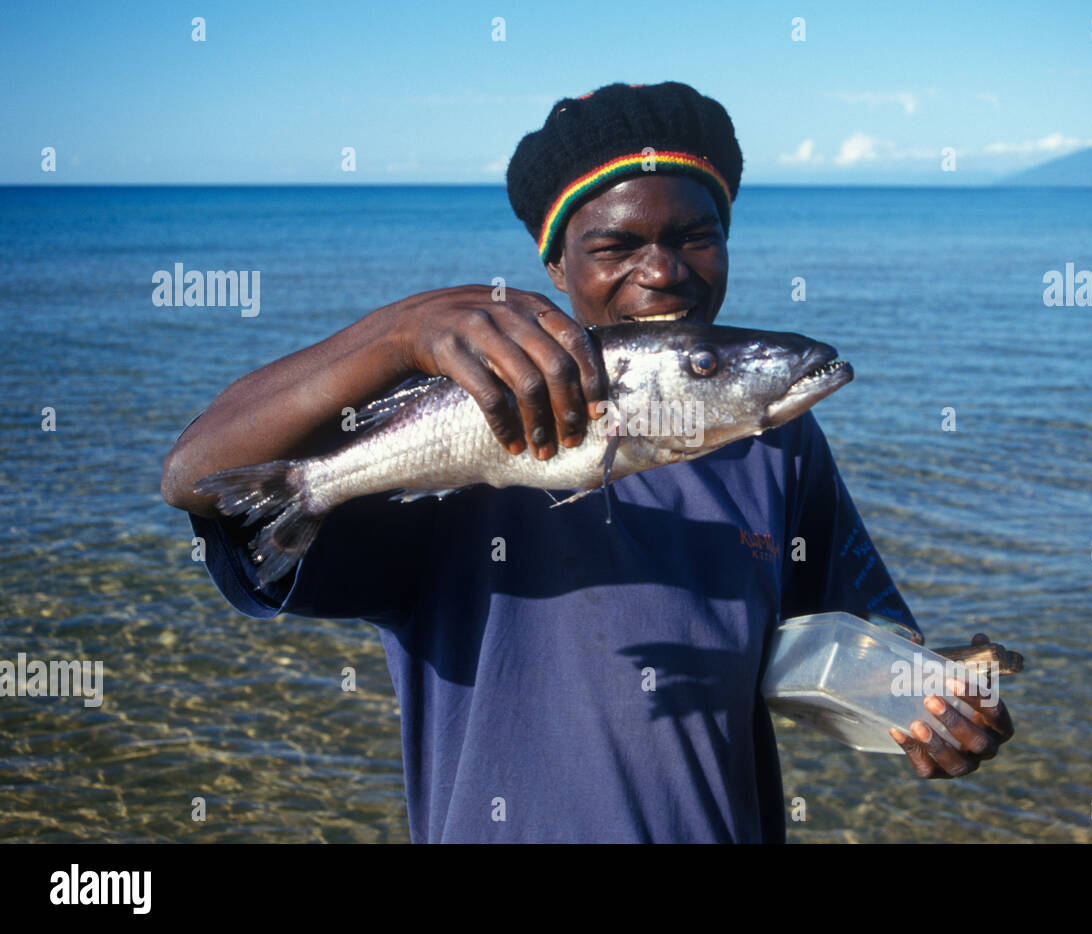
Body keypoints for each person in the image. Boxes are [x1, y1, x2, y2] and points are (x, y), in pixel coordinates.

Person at [161, 81, 1013, 843]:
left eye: (697, 237)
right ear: (555, 261)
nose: (662, 273)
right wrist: (400, 332)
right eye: (614, 247)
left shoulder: (779, 442)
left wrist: (934, 706)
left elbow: (850, 641)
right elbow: (196, 475)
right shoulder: (464, 440)